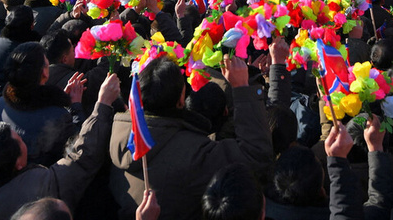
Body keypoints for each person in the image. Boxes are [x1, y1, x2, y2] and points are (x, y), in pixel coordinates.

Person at [108, 56, 273, 220]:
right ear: (181, 100)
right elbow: (256, 156)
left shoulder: (115, 134)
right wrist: (242, 88)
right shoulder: (193, 154)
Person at [0, 72, 120, 220]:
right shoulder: (38, 184)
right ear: (18, 164)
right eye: (20, 141)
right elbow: (82, 158)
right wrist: (102, 104)